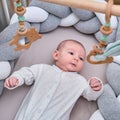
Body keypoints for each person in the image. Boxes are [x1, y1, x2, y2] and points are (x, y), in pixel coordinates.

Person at [4, 39, 103, 120]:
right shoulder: (42, 69)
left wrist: (95, 87)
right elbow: (26, 73)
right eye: (71, 53)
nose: (76, 58)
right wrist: (16, 78)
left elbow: (90, 95)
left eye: (81, 58)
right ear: (56, 55)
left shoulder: (79, 81)